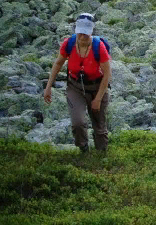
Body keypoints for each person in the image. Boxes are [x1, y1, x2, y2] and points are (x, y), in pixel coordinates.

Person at [43, 13, 111, 152]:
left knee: (99, 126)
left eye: (86, 33)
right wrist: (48, 87)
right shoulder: (69, 43)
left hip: (97, 87)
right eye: (80, 32)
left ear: (91, 32)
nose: (82, 36)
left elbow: (107, 74)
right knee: (78, 123)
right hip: (75, 87)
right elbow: (58, 64)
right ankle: (83, 149)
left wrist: (98, 99)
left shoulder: (99, 47)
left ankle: (101, 154)